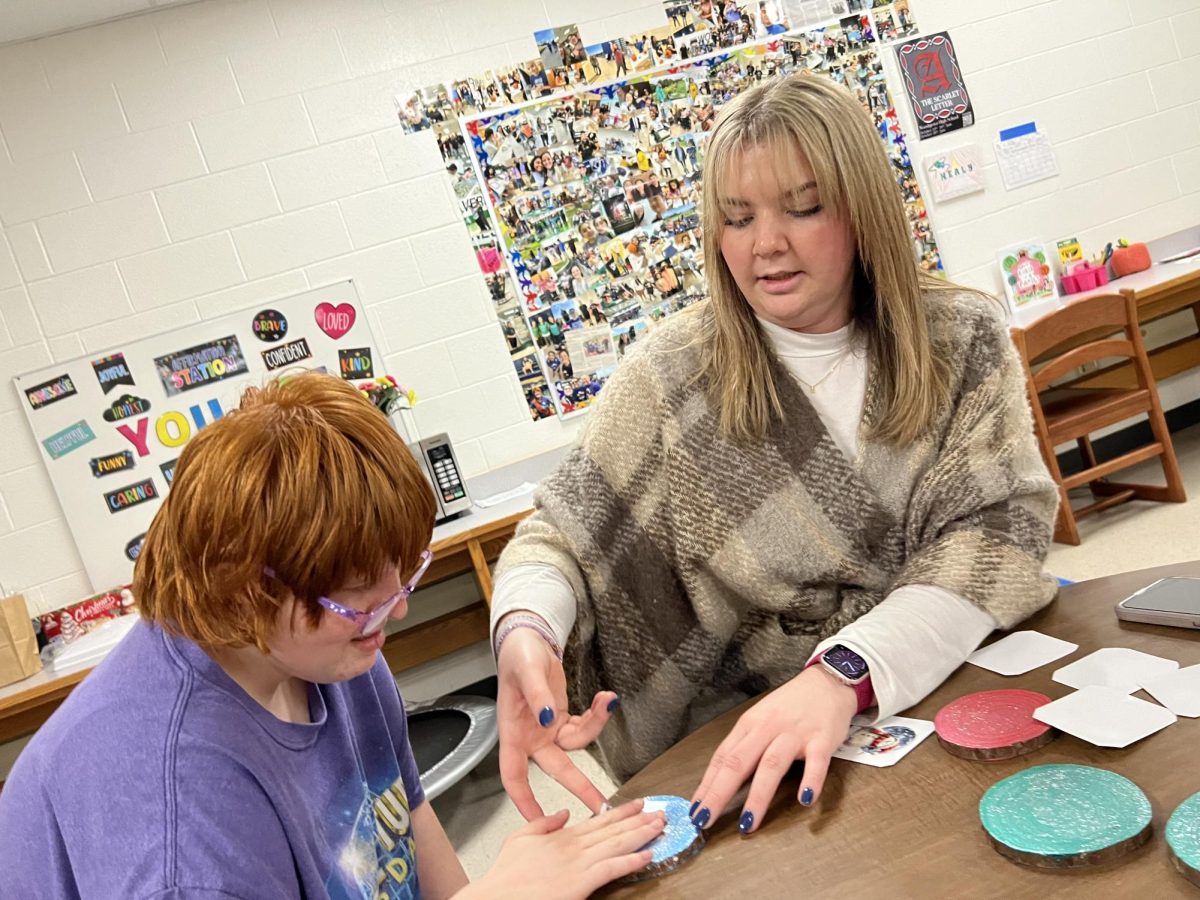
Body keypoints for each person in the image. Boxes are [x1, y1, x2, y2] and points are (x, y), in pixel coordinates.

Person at [487, 74, 1058, 839]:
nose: (766, 245)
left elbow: (999, 538)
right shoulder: (671, 376)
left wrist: (845, 673)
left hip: (945, 683)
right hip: (753, 755)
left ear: (863, 208)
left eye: (804, 207)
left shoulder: (961, 338)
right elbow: (555, 541)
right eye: (736, 217)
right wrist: (528, 629)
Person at [0, 374, 665, 898]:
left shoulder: (337, 659)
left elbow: (407, 828)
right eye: (360, 603)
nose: (394, 615)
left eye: (404, 579)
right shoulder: (181, 828)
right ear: (245, 589)